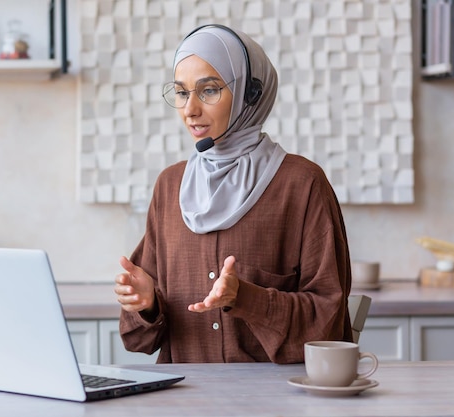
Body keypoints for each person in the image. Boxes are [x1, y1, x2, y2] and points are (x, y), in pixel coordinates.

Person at [114, 24, 352, 364]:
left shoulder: (302, 184)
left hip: (277, 403)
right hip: (184, 401)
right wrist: (146, 303)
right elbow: (139, 339)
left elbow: (329, 321)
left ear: (250, 95)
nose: (190, 110)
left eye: (209, 90)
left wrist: (247, 299)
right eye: (181, 93)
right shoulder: (170, 186)